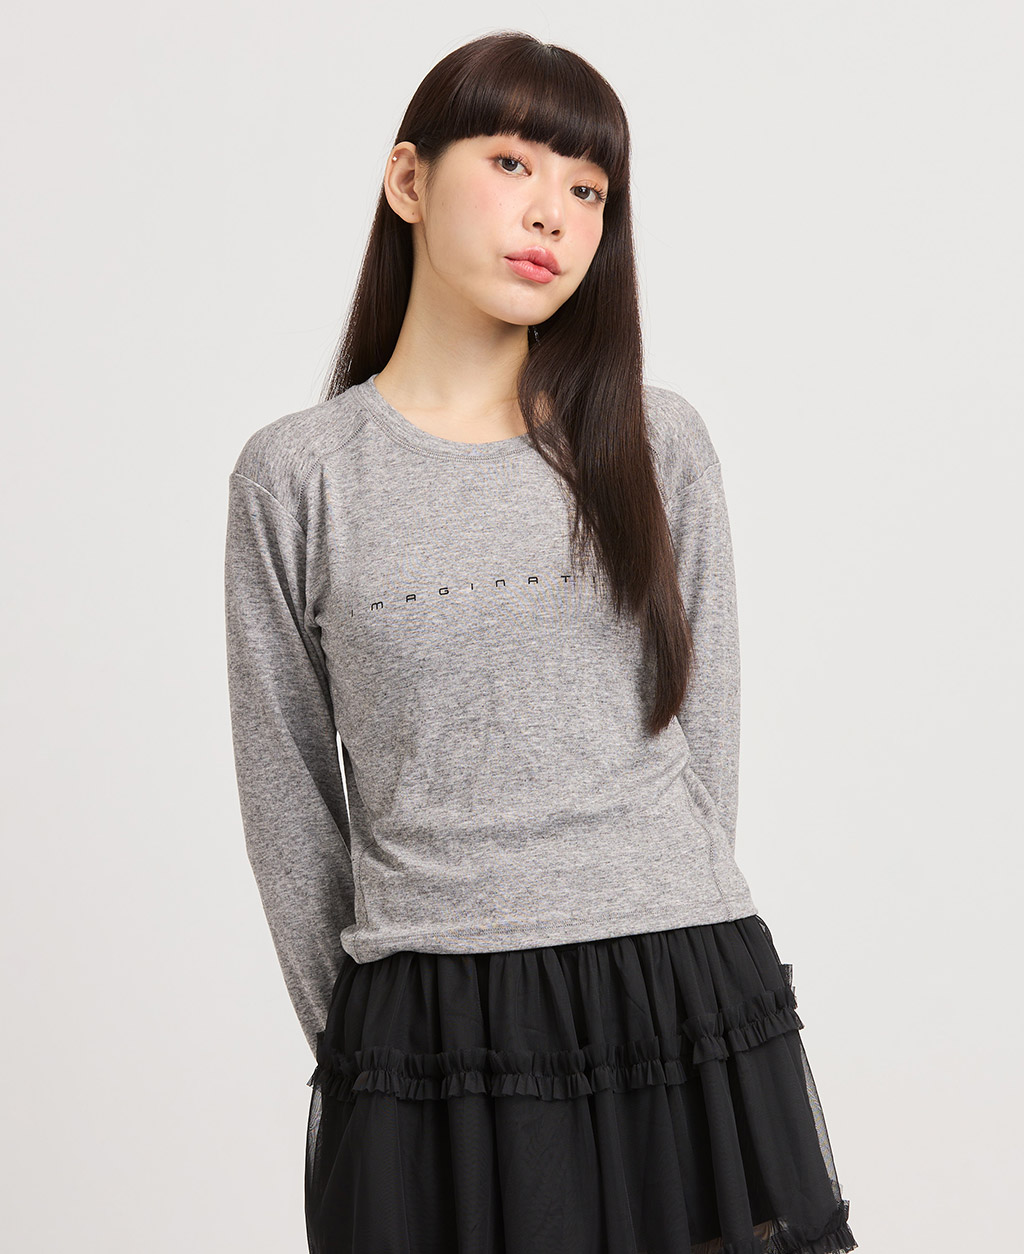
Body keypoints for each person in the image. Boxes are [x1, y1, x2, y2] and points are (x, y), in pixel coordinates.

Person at [223, 29, 858, 1254]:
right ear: (408, 180)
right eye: (513, 163)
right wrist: (369, 1045)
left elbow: (704, 731)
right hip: (431, 1017)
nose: (552, 215)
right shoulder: (297, 477)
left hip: (676, 991)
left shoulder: (656, 442)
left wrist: (660, 926)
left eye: (588, 189)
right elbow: (287, 799)